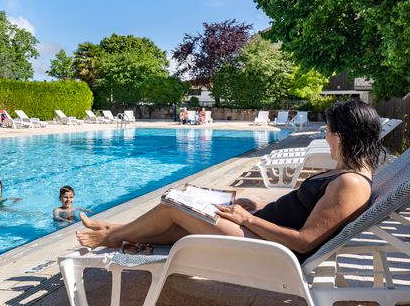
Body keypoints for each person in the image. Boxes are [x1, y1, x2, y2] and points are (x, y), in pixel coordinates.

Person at [76, 100, 382, 263]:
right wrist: (251, 204)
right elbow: (299, 211)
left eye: (326, 131)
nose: (324, 135)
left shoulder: (351, 184)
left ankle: (111, 238)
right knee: (187, 202)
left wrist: (247, 217)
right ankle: (116, 229)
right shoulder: (345, 174)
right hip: (255, 227)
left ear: (340, 136)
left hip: (265, 246)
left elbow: (304, 242)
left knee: (174, 205)